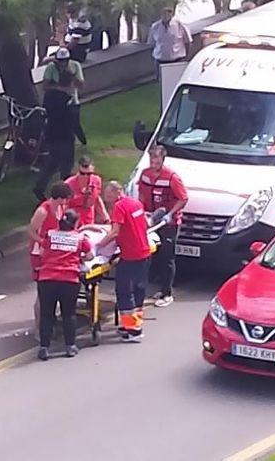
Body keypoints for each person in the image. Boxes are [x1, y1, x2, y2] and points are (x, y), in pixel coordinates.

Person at [36, 209, 94, 361]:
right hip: (68, 280)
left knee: (47, 314)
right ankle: (70, 346)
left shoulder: (49, 234)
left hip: (46, 279)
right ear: (75, 223)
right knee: (68, 314)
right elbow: (90, 256)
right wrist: (78, 257)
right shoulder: (80, 238)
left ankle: (44, 348)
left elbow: (42, 253)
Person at [98, 181, 151, 342]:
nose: (106, 199)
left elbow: (114, 232)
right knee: (138, 290)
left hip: (131, 256)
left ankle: (133, 330)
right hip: (144, 252)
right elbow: (146, 224)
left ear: (116, 192)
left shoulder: (119, 207)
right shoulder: (135, 203)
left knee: (124, 291)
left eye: (108, 195)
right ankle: (132, 324)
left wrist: (99, 246)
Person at [138, 145, 188, 308]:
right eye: (152, 160)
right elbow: (141, 195)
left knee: (167, 257)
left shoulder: (172, 177)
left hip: (169, 223)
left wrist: (170, 214)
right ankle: (158, 288)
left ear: (162, 160)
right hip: (152, 220)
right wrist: (142, 212)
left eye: (156, 160)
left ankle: (167, 293)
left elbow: (183, 198)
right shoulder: (145, 175)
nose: (153, 163)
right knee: (154, 256)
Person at [28, 181, 74, 339]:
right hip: (39, 253)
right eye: (65, 199)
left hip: (53, 252)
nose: (66, 202)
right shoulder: (43, 211)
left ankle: (50, 323)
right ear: (59, 198)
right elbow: (31, 232)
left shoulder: (61, 209)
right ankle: (39, 327)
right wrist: (44, 244)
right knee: (42, 292)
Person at [32, 87, 74, 201]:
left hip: (51, 134)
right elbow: (72, 119)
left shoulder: (49, 96)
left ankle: (39, 187)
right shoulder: (66, 99)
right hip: (64, 135)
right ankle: (64, 193)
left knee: (52, 164)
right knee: (66, 165)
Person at [43, 46, 87, 146]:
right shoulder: (51, 67)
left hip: (71, 100)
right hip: (56, 102)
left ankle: (82, 141)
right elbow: (45, 86)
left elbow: (81, 86)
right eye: (60, 61)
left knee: (74, 123)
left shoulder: (75, 65)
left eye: (65, 61)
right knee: (55, 123)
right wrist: (59, 88)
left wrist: (71, 75)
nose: (62, 64)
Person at [147, 7, 192, 82]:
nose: (166, 15)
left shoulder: (180, 25)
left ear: (172, 14)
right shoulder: (155, 27)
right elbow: (151, 44)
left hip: (177, 60)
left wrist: (187, 58)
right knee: (162, 83)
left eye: (169, 13)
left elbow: (188, 42)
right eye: (164, 13)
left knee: (176, 81)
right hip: (160, 61)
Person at [65, 156, 109, 227]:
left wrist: (106, 218)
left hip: (89, 222)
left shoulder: (96, 181)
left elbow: (97, 200)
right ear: (78, 170)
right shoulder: (69, 184)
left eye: (89, 174)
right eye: (82, 173)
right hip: (72, 222)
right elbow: (63, 207)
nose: (86, 177)